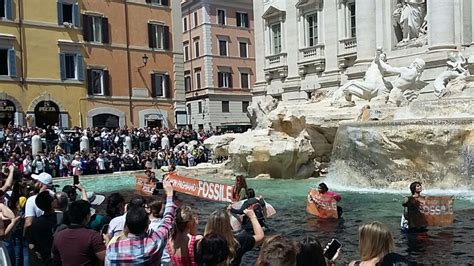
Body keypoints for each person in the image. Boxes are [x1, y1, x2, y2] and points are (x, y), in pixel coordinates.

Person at [105, 176, 177, 264]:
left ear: (126, 226)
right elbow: (168, 220)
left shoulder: (112, 249)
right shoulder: (154, 243)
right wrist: (170, 194)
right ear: (147, 226)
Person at [52, 200, 106, 265]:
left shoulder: (59, 235)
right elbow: (104, 257)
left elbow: (55, 258)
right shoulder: (93, 235)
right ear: (87, 216)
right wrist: (108, 243)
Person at [26, 190, 60, 265]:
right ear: (52, 203)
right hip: (60, 259)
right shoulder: (61, 218)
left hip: (45, 260)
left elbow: (31, 246)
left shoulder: (35, 224)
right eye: (55, 198)